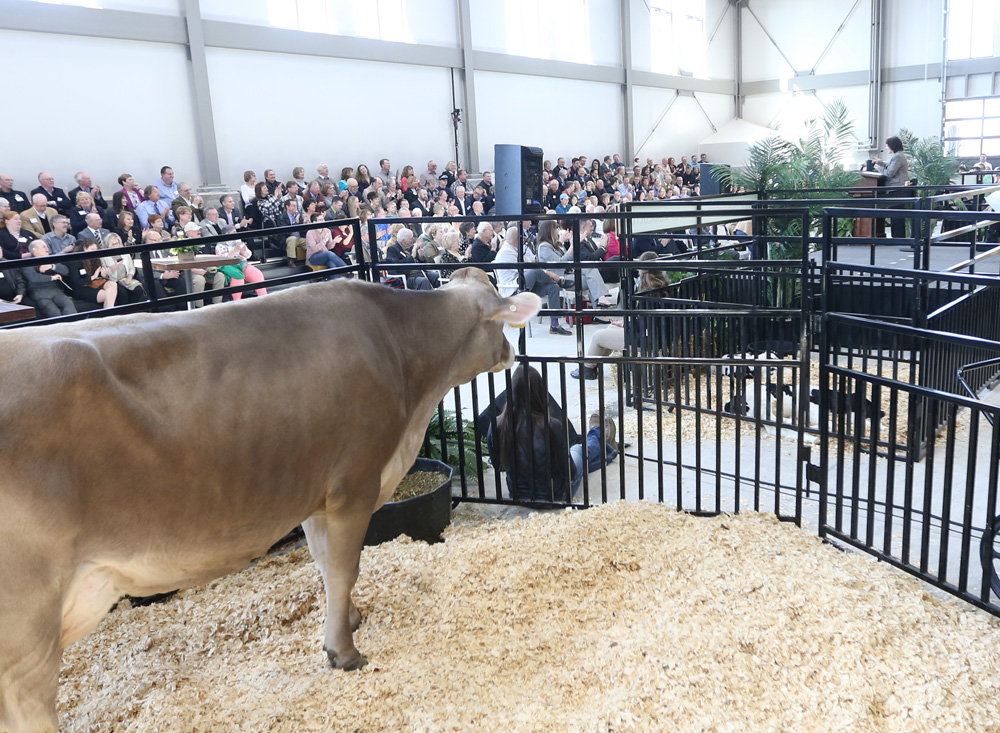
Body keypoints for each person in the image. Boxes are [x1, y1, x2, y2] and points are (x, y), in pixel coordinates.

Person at [487, 364, 617, 503]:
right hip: (555, 496)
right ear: (540, 392)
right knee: (578, 450)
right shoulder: (551, 425)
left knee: (578, 454)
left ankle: (600, 440)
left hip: (517, 495)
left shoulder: (497, 424)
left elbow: (497, 466)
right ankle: (598, 434)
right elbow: (569, 473)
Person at [572, 252, 669, 380]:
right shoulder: (664, 287)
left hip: (646, 341)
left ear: (641, 270)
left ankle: (587, 369)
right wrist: (625, 324)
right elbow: (646, 322)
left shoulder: (647, 294)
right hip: (657, 336)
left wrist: (627, 325)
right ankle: (594, 366)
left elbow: (643, 325)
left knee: (597, 336)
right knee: (611, 328)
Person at [493, 225, 564, 333]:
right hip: (513, 289)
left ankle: (554, 325)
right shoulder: (506, 252)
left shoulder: (515, 249)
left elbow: (529, 264)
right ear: (518, 239)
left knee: (553, 287)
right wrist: (549, 273)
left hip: (525, 285)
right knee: (534, 271)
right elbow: (526, 269)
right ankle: (560, 282)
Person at [23, 239, 77, 317]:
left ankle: (73, 326)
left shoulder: (51, 259)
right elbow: (33, 277)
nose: (47, 248)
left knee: (68, 303)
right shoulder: (27, 262)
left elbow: (65, 271)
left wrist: (52, 266)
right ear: (35, 250)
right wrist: (52, 277)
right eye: (44, 247)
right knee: (54, 313)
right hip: (40, 293)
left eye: (47, 246)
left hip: (56, 291)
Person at [872, 135, 911, 239]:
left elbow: (890, 173)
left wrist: (878, 168)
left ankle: (898, 238)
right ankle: (897, 238)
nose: (886, 148)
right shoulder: (898, 155)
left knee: (896, 216)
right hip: (898, 189)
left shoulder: (898, 156)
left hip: (897, 189)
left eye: (887, 146)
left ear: (892, 146)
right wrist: (879, 162)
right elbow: (890, 165)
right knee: (895, 215)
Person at [64, 240, 120, 309]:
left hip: (95, 283)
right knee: (108, 295)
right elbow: (76, 282)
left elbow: (99, 276)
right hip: (82, 288)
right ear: (85, 248)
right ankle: (110, 313)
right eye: (92, 249)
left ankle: (109, 312)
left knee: (113, 284)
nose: (94, 252)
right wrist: (92, 277)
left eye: (96, 250)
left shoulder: (95, 259)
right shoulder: (74, 262)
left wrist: (103, 275)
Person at [215, 230, 267, 301]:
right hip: (230, 266)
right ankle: (237, 302)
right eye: (233, 232)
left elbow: (248, 255)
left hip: (242, 264)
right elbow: (222, 259)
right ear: (227, 234)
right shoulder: (220, 245)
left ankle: (264, 299)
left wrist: (244, 251)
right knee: (238, 278)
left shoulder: (239, 242)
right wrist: (234, 251)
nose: (235, 234)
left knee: (258, 274)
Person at [100, 232, 147, 304]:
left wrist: (129, 277)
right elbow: (106, 274)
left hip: (125, 278)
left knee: (139, 289)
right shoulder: (104, 257)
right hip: (113, 281)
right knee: (122, 293)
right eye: (113, 244)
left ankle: (131, 307)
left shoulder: (124, 253)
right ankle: (125, 312)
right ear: (108, 245)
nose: (116, 246)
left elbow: (131, 268)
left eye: (117, 243)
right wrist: (115, 266)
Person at [304, 212, 349, 277]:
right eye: (320, 220)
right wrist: (324, 241)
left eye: (323, 219)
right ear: (314, 222)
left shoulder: (327, 230)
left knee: (332, 264)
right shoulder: (310, 233)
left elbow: (329, 247)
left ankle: (338, 282)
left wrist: (334, 241)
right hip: (313, 257)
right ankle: (347, 269)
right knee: (329, 254)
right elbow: (314, 249)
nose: (323, 221)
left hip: (325, 255)